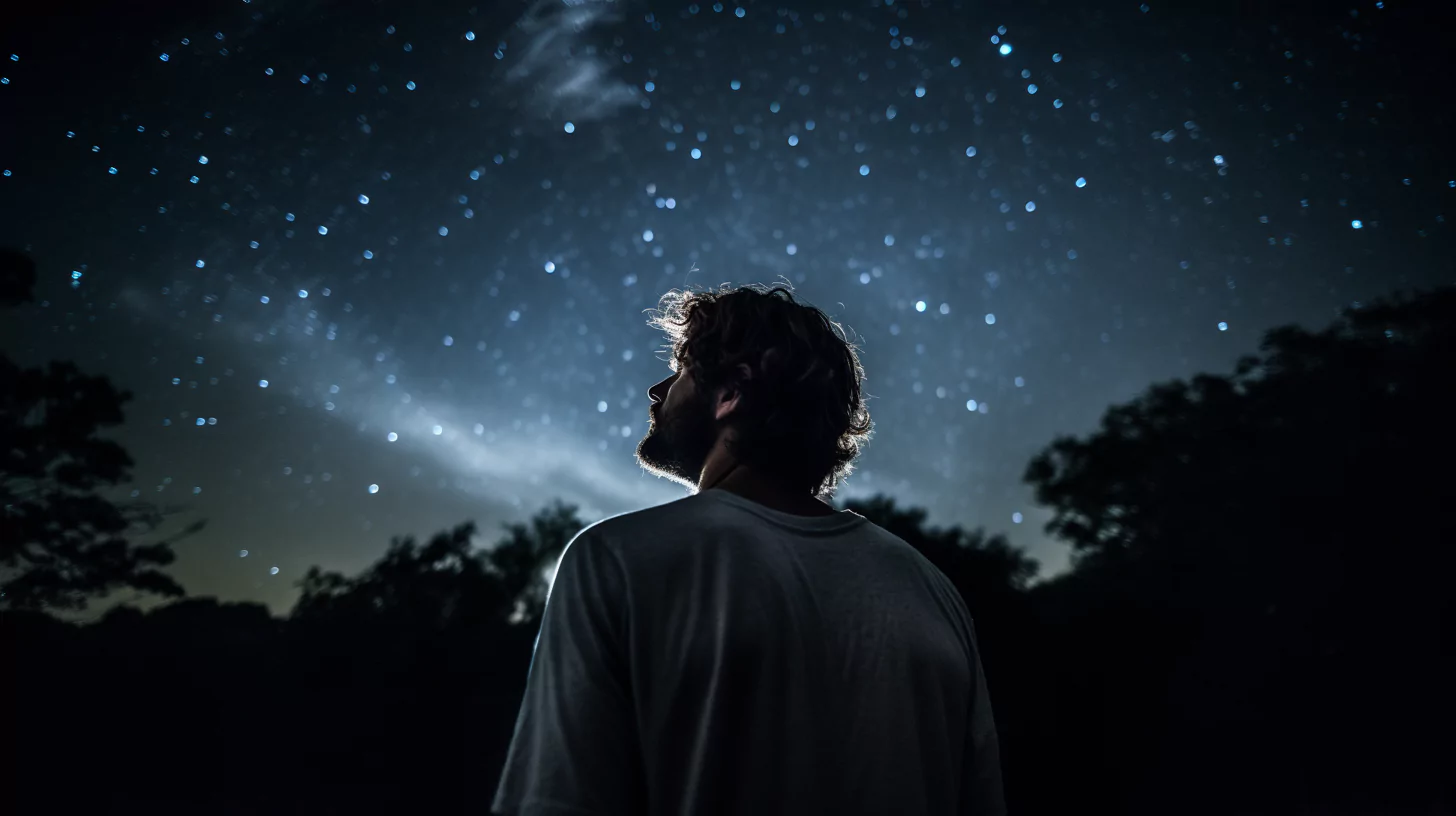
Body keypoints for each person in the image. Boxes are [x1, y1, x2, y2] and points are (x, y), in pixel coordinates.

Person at [491, 283, 1006, 816]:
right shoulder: (931, 591)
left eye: (682, 368)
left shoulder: (617, 559)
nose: (657, 388)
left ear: (732, 392)